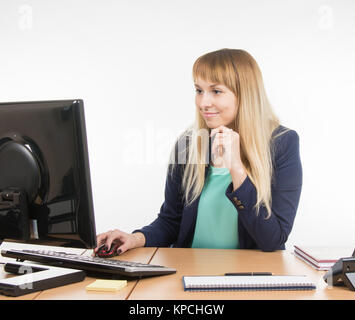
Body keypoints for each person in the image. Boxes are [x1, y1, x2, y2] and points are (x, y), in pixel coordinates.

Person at [96, 48, 302, 255]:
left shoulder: (281, 144)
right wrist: (134, 238)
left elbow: (272, 239)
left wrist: (237, 169)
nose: (204, 102)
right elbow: (171, 221)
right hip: (188, 273)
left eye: (216, 91)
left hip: (249, 276)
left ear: (245, 94)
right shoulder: (188, 144)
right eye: (199, 90)